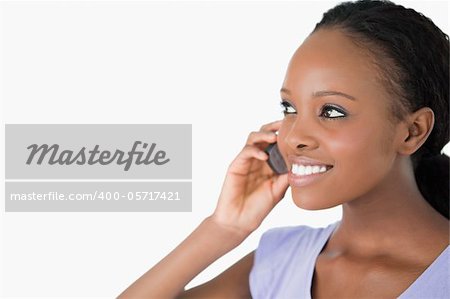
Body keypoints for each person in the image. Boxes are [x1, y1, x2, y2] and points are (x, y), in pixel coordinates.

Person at [118, 0, 449, 297]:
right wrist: (224, 228)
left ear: (412, 131)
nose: (292, 138)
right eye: (289, 108)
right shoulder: (279, 260)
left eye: (332, 111)